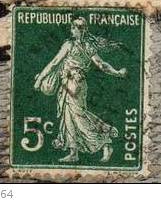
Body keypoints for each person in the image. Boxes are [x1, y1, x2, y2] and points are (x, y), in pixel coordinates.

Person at [33, 17, 126, 163]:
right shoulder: (89, 46)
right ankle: (73, 152)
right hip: (76, 84)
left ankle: (105, 140)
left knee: (78, 117)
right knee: (70, 117)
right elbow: (102, 65)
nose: (72, 30)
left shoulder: (69, 45)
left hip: (72, 85)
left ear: (76, 29)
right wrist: (117, 72)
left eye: (74, 28)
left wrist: (39, 79)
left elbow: (54, 63)